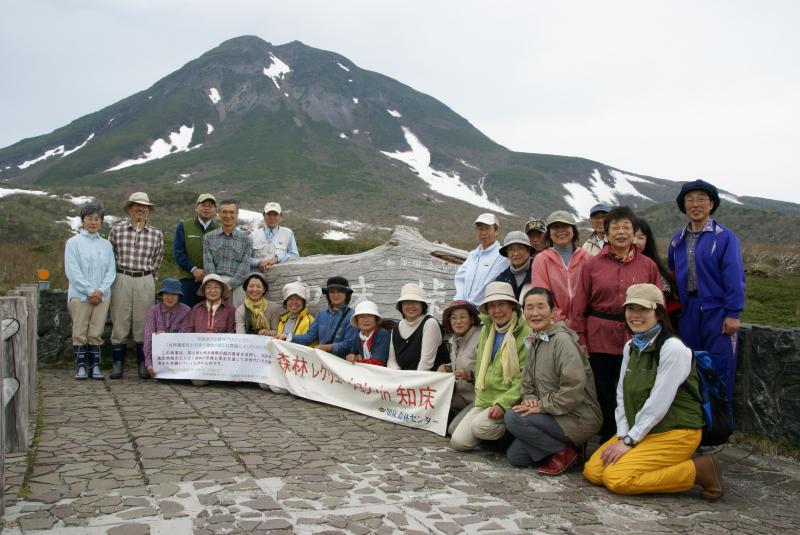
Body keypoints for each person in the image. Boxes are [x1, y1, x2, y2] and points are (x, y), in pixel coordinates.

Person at [583, 283, 724, 501]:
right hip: (643, 431)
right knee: (593, 471)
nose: (635, 315)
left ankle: (699, 470)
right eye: (631, 309)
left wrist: (629, 442)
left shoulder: (673, 349)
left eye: (643, 310)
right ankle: (654, 462)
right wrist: (622, 435)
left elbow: (659, 402)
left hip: (676, 432)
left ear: (658, 313)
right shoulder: (631, 346)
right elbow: (622, 395)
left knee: (617, 478)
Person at [571, 206, 661, 442]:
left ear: (634, 231)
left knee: (635, 387)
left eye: (626, 227)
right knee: (604, 390)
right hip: (599, 334)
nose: (621, 232)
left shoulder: (648, 266)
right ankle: (608, 437)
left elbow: (657, 304)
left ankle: (633, 435)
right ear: (607, 233)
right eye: (615, 227)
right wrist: (580, 337)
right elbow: (579, 302)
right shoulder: (591, 264)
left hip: (637, 336)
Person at [505, 288, 602, 474]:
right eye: (529, 308)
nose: (535, 313)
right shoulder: (535, 340)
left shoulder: (562, 342)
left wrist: (541, 406)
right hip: (551, 413)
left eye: (541, 307)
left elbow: (573, 388)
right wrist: (530, 398)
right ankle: (570, 448)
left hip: (577, 416)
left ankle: (563, 452)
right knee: (516, 457)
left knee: (513, 418)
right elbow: (527, 383)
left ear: (553, 311)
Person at [668, 179, 745, 403]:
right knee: (689, 363)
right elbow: (672, 273)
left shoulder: (724, 237)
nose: (695, 204)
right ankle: (696, 418)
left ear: (711, 204)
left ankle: (719, 421)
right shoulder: (677, 239)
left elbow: (734, 276)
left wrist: (733, 313)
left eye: (701, 199)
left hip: (717, 311)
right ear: (683, 206)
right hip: (688, 310)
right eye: (690, 200)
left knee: (719, 364)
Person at [450, 282, 531, 451]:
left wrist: (502, 404)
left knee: (480, 427)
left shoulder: (525, 333)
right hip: (485, 399)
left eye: (501, 304)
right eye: (492, 306)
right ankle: (491, 432)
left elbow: (525, 377)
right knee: (458, 441)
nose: (497, 310)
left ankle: (513, 432)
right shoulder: (488, 330)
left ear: (512, 306)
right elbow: (481, 368)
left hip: (509, 400)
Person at [109, 192, 164, 380]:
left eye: (144, 207)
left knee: (143, 321)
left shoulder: (156, 234)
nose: (140, 209)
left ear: (149, 211)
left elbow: (158, 259)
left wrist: (149, 279)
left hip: (145, 278)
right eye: (136, 206)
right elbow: (111, 256)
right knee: (119, 320)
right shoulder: (117, 230)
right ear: (129, 209)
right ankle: (118, 364)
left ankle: (143, 363)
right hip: (122, 277)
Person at [64, 203, 116, 380]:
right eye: (89, 219)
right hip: (80, 296)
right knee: (79, 332)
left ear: (101, 222)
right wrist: (89, 291)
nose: (93, 222)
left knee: (96, 332)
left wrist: (100, 291)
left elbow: (111, 271)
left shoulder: (106, 245)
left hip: (102, 297)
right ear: (82, 220)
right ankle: (80, 367)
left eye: (97, 219)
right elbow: (73, 271)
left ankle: (95, 366)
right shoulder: (73, 243)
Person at [531, 211, 588, 325]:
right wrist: (560, 320)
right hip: (554, 326)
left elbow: (593, 295)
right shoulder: (541, 260)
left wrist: (579, 321)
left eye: (565, 226)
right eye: (555, 227)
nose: (560, 230)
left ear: (573, 230)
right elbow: (542, 296)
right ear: (549, 232)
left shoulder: (587, 258)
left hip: (585, 325)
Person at [182, 274, 236, 386]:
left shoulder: (230, 310)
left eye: (216, 287)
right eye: (209, 287)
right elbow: (188, 331)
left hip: (222, 356)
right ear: (204, 290)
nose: (212, 291)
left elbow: (232, 334)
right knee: (198, 382)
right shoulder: (196, 309)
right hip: (200, 356)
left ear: (222, 290)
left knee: (227, 381)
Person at [438, 300, 481, 435]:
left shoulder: (481, 337)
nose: (458, 321)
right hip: (458, 395)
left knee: (452, 430)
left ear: (472, 319)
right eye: (454, 318)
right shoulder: (454, 340)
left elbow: (490, 370)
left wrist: (470, 376)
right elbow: (458, 365)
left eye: (463, 317)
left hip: (477, 399)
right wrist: (446, 367)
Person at [288, 276, 358, 357]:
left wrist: (329, 347)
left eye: (340, 291)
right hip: (322, 361)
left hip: (341, 363)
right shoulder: (321, 313)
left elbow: (350, 344)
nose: (335, 295)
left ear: (346, 294)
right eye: (332, 292)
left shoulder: (352, 315)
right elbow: (310, 336)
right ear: (328, 294)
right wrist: (289, 337)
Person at [203, 199, 252, 308]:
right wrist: (217, 286)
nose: (228, 215)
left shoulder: (246, 239)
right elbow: (208, 265)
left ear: (237, 214)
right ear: (219, 214)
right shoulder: (209, 238)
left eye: (231, 212)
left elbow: (245, 267)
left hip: (237, 285)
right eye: (224, 212)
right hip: (214, 284)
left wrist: (229, 286)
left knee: (237, 317)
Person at [453, 213, 510, 307]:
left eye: (487, 228)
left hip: (485, 312)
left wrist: (470, 306)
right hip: (466, 310)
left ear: (496, 231)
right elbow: (460, 279)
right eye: (480, 229)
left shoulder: (502, 255)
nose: (483, 233)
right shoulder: (473, 255)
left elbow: (490, 284)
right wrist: (459, 301)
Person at [173, 193, 219, 307]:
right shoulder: (184, 226)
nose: (207, 208)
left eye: (210, 205)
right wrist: (194, 270)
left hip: (212, 281)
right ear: (196, 207)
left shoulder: (219, 229)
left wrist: (209, 272)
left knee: (209, 315)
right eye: (203, 205)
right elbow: (178, 253)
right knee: (186, 314)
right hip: (188, 278)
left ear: (214, 210)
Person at [635, 218, 681, 329]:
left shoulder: (654, 267)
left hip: (657, 325)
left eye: (641, 237)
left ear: (647, 240)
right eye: (631, 236)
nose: (635, 241)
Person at [387, 283, 444, 371]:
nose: (410, 306)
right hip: (404, 381)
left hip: (428, 380)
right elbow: (392, 361)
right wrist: (398, 377)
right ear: (401, 306)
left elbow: (426, 364)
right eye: (406, 302)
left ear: (422, 305)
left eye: (415, 302)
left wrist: (411, 382)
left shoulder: (430, 323)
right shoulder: (396, 328)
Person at [142, 278, 191, 379]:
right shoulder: (153, 310)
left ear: (179, 296)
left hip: (178, 357)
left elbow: (184, 339)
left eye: (174, 294)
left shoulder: (186, 311)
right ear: (161, 295)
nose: (170, 297)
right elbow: (148, 338)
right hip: (157, 357)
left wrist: (166, 336)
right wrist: (148, 363)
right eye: (166, 294)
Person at [251, 202, 299, 272]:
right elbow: (245, 258)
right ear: (264, 215)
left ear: (280, 216)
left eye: (275, 214)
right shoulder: (253, 235)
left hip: (281, 276)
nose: (272, 217)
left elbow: (294, 255)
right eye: (269, 214)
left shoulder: (288, 233)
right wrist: (258, 263)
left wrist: (277, 258)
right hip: (257, 278)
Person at [345, 300, 390, 365]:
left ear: (376, 319)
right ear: (357, 321)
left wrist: (357, 361)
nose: (366, 320)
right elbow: (352, 354)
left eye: (369, 316)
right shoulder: (357, 336)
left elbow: (378, 362)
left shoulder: (382, 334)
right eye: (361, 317)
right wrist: (351, 357)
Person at [495, 231, 534, 301]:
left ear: (528, 250)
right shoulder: (501, 279)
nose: (515, 253)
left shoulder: (540, 271)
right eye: (511, 249)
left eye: (520, 248)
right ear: (507, 253)